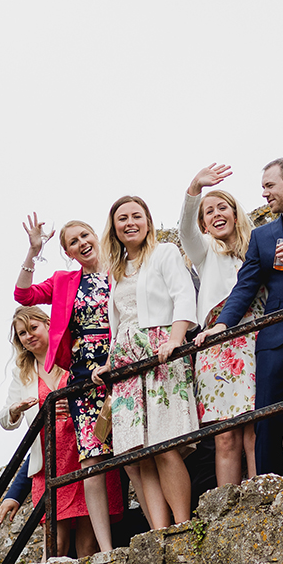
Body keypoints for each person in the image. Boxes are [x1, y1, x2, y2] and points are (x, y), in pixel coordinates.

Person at [196, 159, 283, 482]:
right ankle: (266, 491)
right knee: (265, 419)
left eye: (269, 186)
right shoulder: (262, 236)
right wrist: (224, 323)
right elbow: (246, 284)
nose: (264, 193)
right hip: (273, 337)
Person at [13, 214, 125, 551]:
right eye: (73, 242)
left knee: (135, 452)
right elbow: (23, 294)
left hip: (124, 363)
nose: (82, 243)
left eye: (85, 235)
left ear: (97, 235)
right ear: (68, 253)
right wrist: (33, 252)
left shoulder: (121, 270)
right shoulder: (64, 281)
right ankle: (105, 550)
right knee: (91, 459)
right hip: (84, 377)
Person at [92, 196, 198, 529]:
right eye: (122, 218)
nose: (129, 223)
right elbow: (121, 319)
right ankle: (159, 530)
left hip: (160, 350)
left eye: (136, 216)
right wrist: (110, 362)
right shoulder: (116, 270)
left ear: (148, 221)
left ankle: (182, 525)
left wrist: (176, 338)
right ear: (115, 228)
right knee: (140, 453)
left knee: (165, 445)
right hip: (125, 363)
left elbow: (183, 294)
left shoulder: (164, 253)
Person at [180, 164, 262, 487]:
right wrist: (194, 190)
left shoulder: (256, 246)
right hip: (217, 346)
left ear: (235, 212)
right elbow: (185, 231)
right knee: (225, 435)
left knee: (254, 427)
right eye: (208, 212)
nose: (216, 214)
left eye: (222, 207)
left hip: (254, 338)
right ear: (204, 223)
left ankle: (258, 493)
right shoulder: (204, 252)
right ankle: (227, 501)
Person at [0, 306, 99, 558]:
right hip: (51, 461)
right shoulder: (22, 373)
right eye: (22, 333)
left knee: (88, 544)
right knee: (56, 542)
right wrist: (15, 409)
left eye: (33, 328)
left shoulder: (73, 356)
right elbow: (4, 419)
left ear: (47, 324)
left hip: (85, 449)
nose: (28, 336)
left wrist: (76, 400)